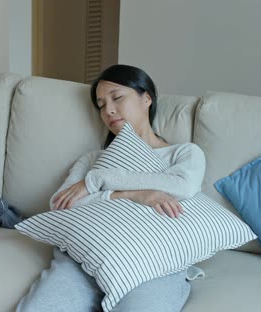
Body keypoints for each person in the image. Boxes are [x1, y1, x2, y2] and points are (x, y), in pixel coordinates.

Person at [17, 65, 206, 312]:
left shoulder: (182, 153)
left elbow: (183, 186)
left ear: (146, 98)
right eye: (101, 105)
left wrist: (97, 182)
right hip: (85, 258)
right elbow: (60, 205)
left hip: (154, 263)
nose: (109, 110)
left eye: (117, 98)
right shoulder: (93, 160)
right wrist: (131, 195)